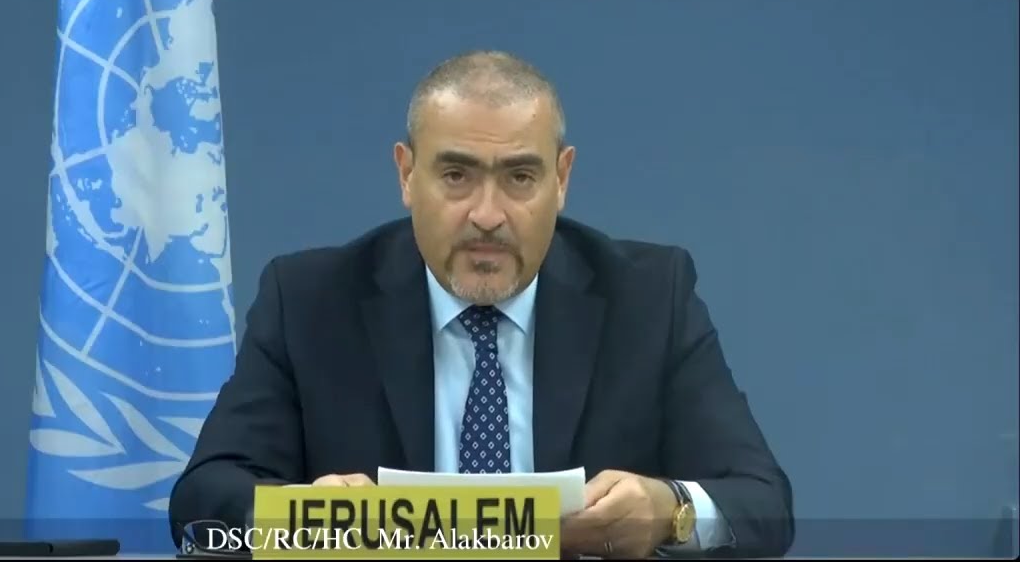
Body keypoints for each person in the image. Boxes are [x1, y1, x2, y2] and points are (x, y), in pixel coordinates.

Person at [169, 51, 794, 558]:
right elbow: (203, 499)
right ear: (406, 175)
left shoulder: (649, 298)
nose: (488, 214)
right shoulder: (310, 301)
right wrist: (308, 518)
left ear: (562, 179)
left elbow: (763, 502)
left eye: (520, 177)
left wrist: (668, 511)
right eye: (456, 176)